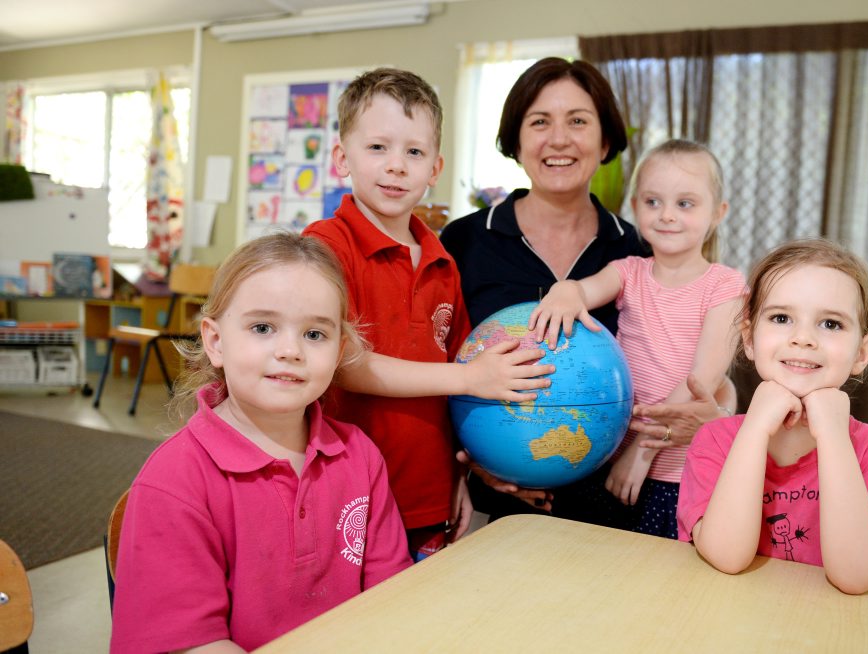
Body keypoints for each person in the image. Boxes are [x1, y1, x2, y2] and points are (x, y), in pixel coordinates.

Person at [441, 57, 734, 526]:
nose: (559, 139)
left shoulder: (641, 249)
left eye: (578, 121)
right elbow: (438, 366)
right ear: (516, 140)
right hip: (493, 503)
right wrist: (467, 463)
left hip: (615, 503)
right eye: (540, 122)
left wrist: (722, 407)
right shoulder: (463, 242)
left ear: (605, 142)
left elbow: (693, 360)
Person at [110, 234, 412, 652]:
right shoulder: (174, 482)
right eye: (263, 327)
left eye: (314, 334)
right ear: (215, 342)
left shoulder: (359, 456)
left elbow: (391, 599)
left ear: (340, 349)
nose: (290, 350)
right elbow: (191, 643)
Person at [304, 67, 552, 561]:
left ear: (434, 169)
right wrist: (470, 379)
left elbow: (459, 368)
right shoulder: (325, 247)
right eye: (378, 148)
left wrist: (458, 474)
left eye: (413, 152)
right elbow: (346, 364)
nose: (396, 166)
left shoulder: (442, 261)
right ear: (341, 159)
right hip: (344, 495)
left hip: (427, 497)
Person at [677, 238, 868, 594]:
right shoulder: (713, 441)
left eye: (831, 324)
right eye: (781, 318)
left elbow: (856, 576)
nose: (803, 338)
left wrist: (834, 437)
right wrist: (756, 429)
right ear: (749, 338)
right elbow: (726, 556)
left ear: (861, 353)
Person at [529, 139, 745, 538]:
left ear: (718, 213)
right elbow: (582, 291)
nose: (666, 216)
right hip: (610, 460)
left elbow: (703, 380)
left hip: (678, 472)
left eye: (685, 203)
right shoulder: (628, 272)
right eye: (652, 202)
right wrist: (565, 291)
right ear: (634, 206)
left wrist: (642, 452)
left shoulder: (726, 287)